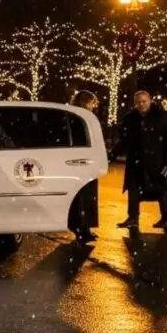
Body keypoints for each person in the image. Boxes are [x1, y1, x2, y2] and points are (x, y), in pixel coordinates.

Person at [110, 90, 167, 230]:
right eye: (138, 102)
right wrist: (113, 154)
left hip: (156, 160)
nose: (141, 104)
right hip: (137, 160)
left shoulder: (160, 116)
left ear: (150, 101)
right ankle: (133, 217)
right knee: (134, 189)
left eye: (144, 101)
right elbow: (124, 140)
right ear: (135, 104)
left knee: (162, 190)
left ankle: (166, 218)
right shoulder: (130, 119)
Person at [69, 90, 100, 243]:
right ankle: (82, 228)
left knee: (82, 197)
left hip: (82, 160)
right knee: (82, 197)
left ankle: (83, 228)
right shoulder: (81, 118)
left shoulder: (76, 116)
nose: (93, 106)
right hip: (83, 160)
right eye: (92, 103)